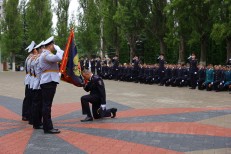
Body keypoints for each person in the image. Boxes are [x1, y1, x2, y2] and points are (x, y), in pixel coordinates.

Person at [39, 36, 64, 134]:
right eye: (53, 45)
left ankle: (47, 126)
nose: (54, 46)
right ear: (50, 45)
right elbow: (58, 57)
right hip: (48, 81)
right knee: (47, 105)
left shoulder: (45, 54)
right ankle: (48, 127)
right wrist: (59, 49)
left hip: (48, 81)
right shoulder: (46, 54)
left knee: (47, 105)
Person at [31, 41, 44, 129]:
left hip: (36, 81)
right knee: (38, 104)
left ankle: (37, 122)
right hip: (39, 83)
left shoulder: (35, 58)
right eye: (44, 47)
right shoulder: (39, 58)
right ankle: (37, 123)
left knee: (37, 104)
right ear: (40, 49)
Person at [22, 41, 35, 121]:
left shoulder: (28, 57)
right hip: (30, 79)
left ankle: (25, 114)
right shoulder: (31, 57)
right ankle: (27, 114)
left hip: (28, 78)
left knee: (27, 97)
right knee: (29, 98)